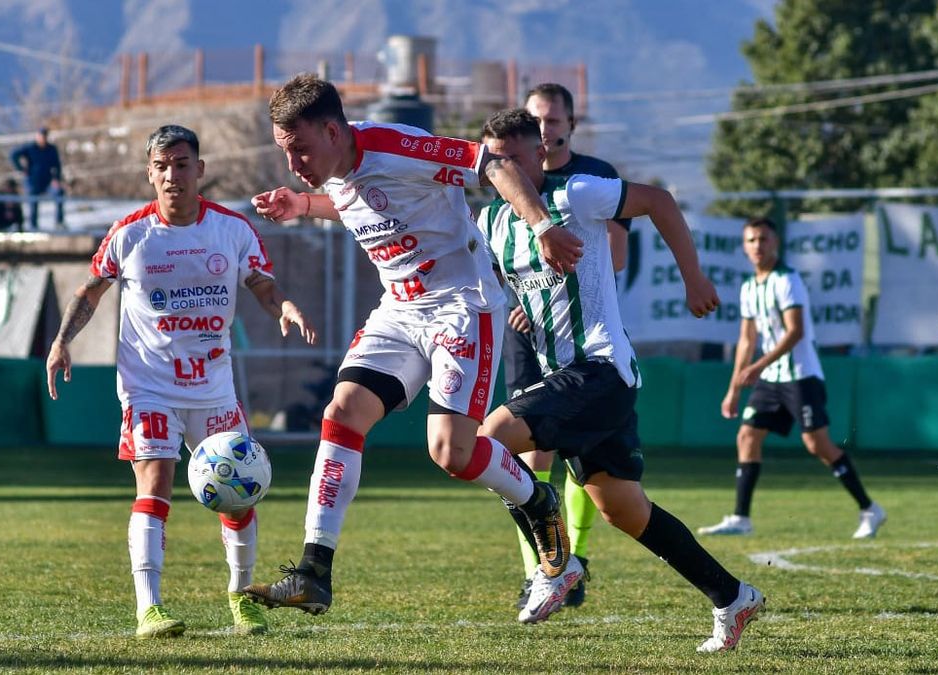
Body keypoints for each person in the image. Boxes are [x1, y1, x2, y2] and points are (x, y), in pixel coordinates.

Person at [240, 74, 586, 623]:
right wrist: (303, 204)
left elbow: (491, 164)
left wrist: (541, 224)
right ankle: (313, 572)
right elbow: (360, 205)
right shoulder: (335, 167)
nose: (292, 162)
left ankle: (538, 500)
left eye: (299, 149)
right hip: (400, 309)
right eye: (285, 151)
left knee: (451, 452)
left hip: (462, 305)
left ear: (333, 132)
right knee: (342, 412)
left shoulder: (394, 147)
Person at [477, 108, 764, 651]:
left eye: (513, 158)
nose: (502, 171)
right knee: (624, 510)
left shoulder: (576, 194)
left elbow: (659, 201)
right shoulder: (490, 221)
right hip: (567, 376)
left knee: (490, 439)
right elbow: (493, 282)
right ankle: (732, 596)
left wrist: (693, 277)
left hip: (601, 368)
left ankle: (555, 561)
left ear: (540, 154)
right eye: (494, 162)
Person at [45, 124, 317, 638]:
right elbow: (90, 291)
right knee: (155, 485)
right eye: (162, 166)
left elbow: (261, 283)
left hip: (214, 389)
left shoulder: (232, 229)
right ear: (150, 174)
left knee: (240, 495)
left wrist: (282, 305)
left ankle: (242, 598)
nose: (173, 175)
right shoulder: (130, 234)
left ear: (200, 170)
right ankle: (149, 608)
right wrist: (62, 341)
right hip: (149, 386)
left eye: (182, 164)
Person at [505, 82, 635, 611]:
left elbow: (615, 258)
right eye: (534, 119)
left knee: (581, 454)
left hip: (582, 334)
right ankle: (541, 569)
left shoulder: (593, 178)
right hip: (526, 332)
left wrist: (553, 290)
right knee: (525, 452)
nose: (543, 128)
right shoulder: (505, 179)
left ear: (571, 125)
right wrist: (521, 299)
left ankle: (573, 558)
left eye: (553, 120)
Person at [698, 217, 886, 539]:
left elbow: (795, 331)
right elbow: (746, 340)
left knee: (817, 444)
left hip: (801, 376)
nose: (758, 245)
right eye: (752, 240)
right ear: (744, 247)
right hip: (770, 378)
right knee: (747, 436)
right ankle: (741, 518)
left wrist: (758, 366)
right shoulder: (748, 287)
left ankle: (870, 509)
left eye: (764, 239)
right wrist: (733, 390)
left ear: (776, 243)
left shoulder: (787, 280)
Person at [10, 126, 65, 230]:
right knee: (33, 200)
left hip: (47, 181)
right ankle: (33, 226)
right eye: (41, 136)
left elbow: (57, 165)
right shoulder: (30, 148)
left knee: (59, 192)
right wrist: (21, 169)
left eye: (45, 136)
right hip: (33, 181)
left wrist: (56, 179)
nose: (43, 138)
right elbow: (13, 155)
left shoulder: (51, 149)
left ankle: (59, 222)